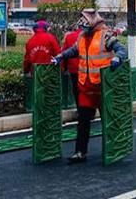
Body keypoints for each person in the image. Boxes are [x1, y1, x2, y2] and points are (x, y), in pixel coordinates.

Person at [53, 9, 127, 163]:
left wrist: (118, 59)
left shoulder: (105, 36)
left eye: (85, 24)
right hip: (85, 87)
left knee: (109, 120)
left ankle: (114, 148)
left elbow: (121, 50)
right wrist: (61, 56)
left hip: (102, 87)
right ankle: (80, 152)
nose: (83, 28)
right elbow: (74, 51)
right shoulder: (81, 37)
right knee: (83, 121)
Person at [61, 25, 83, 105]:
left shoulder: (69, 37)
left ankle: (80, 108)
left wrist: (64, 67)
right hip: (88, 69)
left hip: (74, 68)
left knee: (76, 90)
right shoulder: (91, 36)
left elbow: (65, 54)